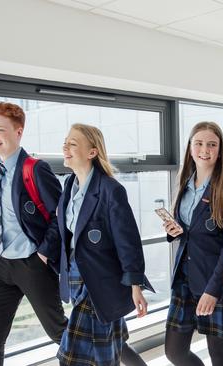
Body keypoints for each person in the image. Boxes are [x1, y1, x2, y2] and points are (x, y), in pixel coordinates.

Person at [57, 123, 153, 365]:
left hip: (101, 282)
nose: (65, 147)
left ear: (92, 152)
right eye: (65, 142)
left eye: (73, 143)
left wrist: (135, 286)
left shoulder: (111, 190)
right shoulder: (69, 186)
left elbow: (128, 242)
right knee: (110, 349)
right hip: (77, 280)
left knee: (72, 358)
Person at [0, 102, 67, 366]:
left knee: (59, 332)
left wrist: (42, 253)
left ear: (18, 132)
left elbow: (59, 216)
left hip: (32, 264)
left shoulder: (34, 169)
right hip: (2, 264)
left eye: (0, 130)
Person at [163, 122, 223, 366]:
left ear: (220, 150)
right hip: (184, 279)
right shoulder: (185, 184)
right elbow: (189, 231)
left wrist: (213, 290)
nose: (204, 149)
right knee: (174, 352)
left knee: (218, 353)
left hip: (213, 279)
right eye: (198, 143)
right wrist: (173, 230)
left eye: (211, 144)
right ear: (190, 148)